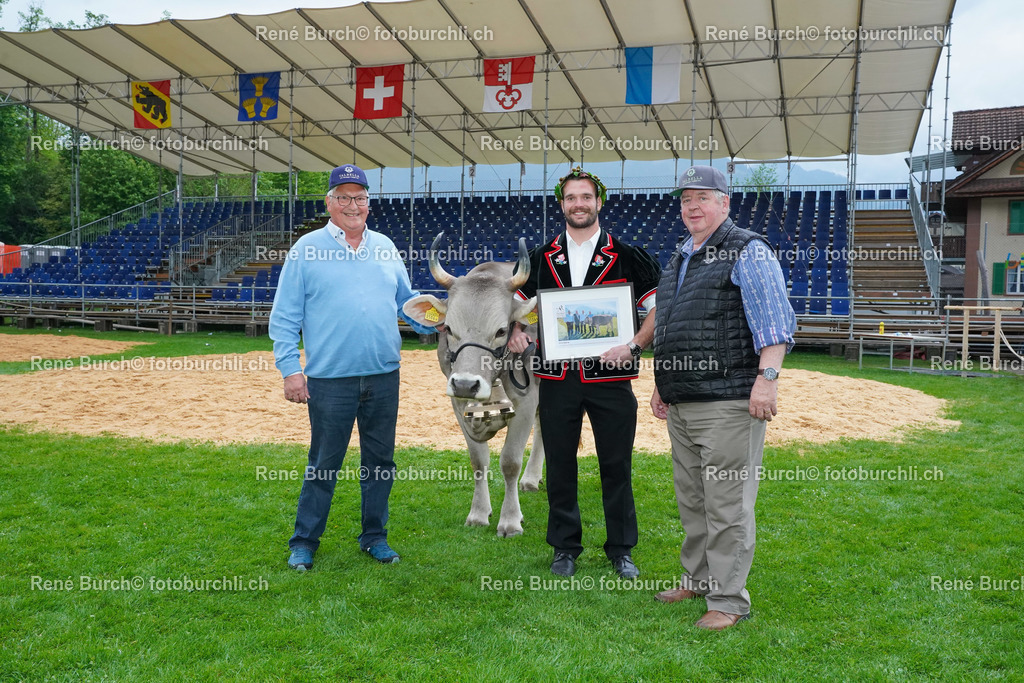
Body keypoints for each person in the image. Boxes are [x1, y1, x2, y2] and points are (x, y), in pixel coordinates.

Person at [650, 165, 796, 631]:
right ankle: (697, 579)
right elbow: (673, 327)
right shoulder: (679, 258)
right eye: (685, 199)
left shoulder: (748, 249)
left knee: (727, 503)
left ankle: (728, 600)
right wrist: (661, 382)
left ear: (725, 202)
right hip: (683, 401)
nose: (692, 206)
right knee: (693, 499)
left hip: (729, 401)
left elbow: (775, 323)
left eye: (703, 198)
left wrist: (766, 379)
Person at [270, 164, 436, 571]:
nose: (352, 204)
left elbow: (405, 301)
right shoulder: (305, 249)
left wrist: (437, 317)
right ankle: (304, 542)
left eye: (359, 197)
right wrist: (291, 370)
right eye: (343, 197)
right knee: (323, 464)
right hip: (329, 380)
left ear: (369, 203)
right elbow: (285, 316)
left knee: (380, 464)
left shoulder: (385, 247)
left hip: (383, 375)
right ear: (328, 202)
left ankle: (374, 537)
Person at [509, 167, 661, 579]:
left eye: (586, 197)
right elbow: (514, 311)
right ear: (562, 204)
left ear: (599, 202)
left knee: (617, 465)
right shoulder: (539, 259)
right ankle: (564, 547)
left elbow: (657, 311)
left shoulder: (631, 256)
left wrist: (633, 346)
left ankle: (621, 548)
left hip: (611, 379)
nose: (579, 204)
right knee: (559, 464)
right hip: (557, 382)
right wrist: (517, 332)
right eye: (571, 197)